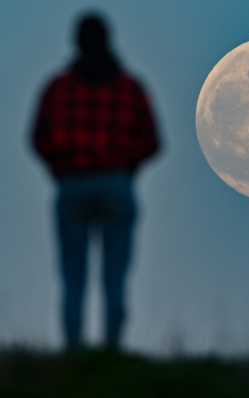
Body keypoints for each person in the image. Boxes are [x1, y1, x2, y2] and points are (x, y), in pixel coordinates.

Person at [31, 12, 160, 351]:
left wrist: (58, 167)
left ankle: (75, 349)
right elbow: (152, 140)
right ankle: (111, 349)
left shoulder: (58, 89)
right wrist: (126, 167)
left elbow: (38, 136)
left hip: (72, 185)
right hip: (114, 183)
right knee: (114, 276)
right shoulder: (130, 88)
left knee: (73, 276)